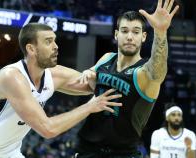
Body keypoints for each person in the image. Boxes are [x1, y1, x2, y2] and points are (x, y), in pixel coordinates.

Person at [0, 23, 122, 158]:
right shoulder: (12, 77)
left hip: (9, 152)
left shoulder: (55, 75)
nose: (56, 46)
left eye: (55, 40)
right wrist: (90, 106)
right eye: (48, 41)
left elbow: (92, 86)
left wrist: (99, 70)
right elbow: (47, 129)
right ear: (31, 49)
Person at [74, 0, 179, 157]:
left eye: (136, 32)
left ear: (144, 37)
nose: (130, 37)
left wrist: (160, 31)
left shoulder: (142, 72)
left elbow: (157, 72)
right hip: (88, 150)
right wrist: (88, 71)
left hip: (122, 153)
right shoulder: (107, 58)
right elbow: (88, 76)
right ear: (116, 35)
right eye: (124, 31)